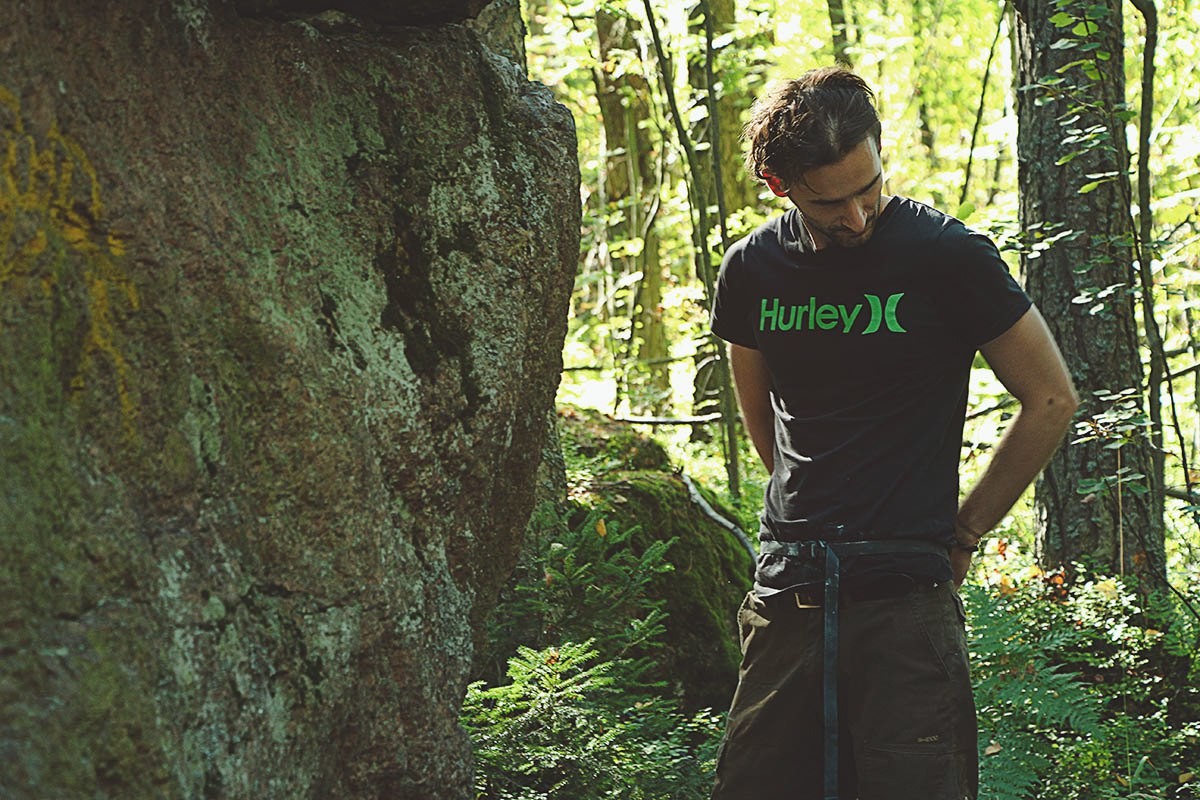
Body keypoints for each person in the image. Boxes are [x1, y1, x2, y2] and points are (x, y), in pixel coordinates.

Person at [708, 66, 1079, 800]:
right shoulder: (751, 268)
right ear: (780, 185)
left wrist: (965, 531)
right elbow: (764, 423)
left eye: (869, 187)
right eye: (829, 202)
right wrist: (803, 518)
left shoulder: (947, 255)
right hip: (790, 588)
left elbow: (1051, 399)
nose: (856, 217)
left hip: (905, 594)